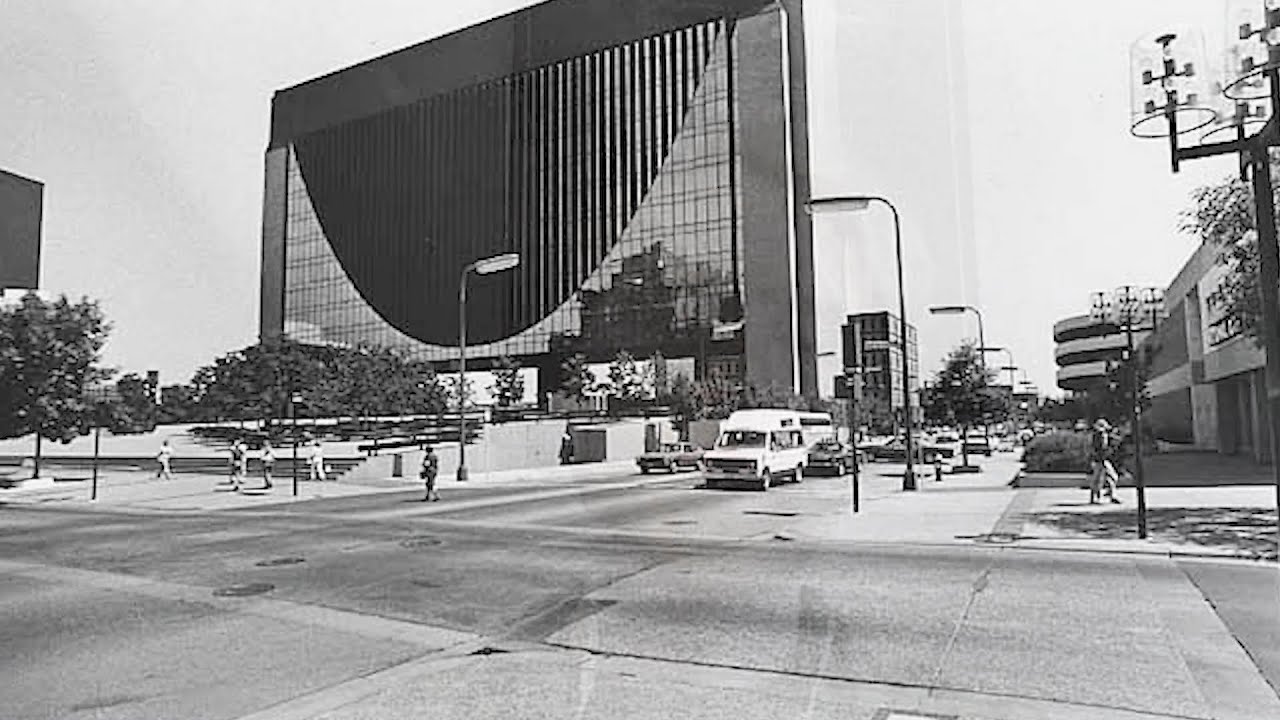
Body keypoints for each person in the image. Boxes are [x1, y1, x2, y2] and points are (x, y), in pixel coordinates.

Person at [1089, 419, 1121, 505]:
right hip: (1100, 460)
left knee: (1110, 478)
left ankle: (1110, 495)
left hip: (1102, 460)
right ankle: (1097, 497)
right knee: (1099, 479)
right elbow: (1099, 449)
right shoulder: (1098, 436)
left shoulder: (1102, 435)